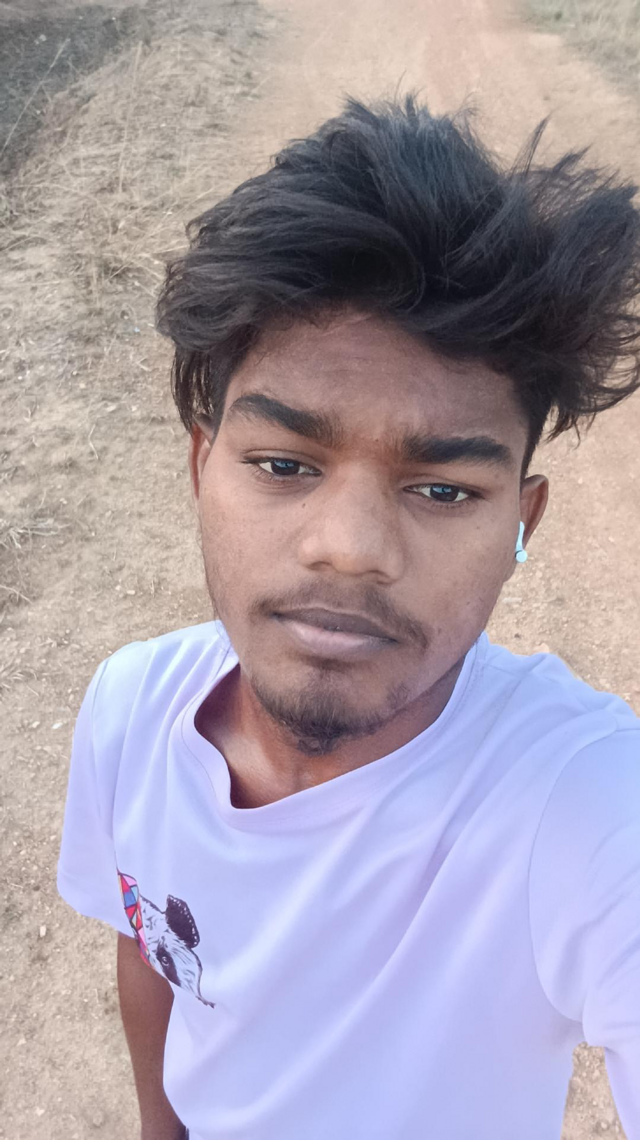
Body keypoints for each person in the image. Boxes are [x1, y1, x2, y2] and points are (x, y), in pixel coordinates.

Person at [57, 95, 640, 1140]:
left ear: (521, 522)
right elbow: (153, 952)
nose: (350, 547)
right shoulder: (131, 711)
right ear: (201, 468)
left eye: (444, 490)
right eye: (284, 465)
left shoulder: (584, 807)